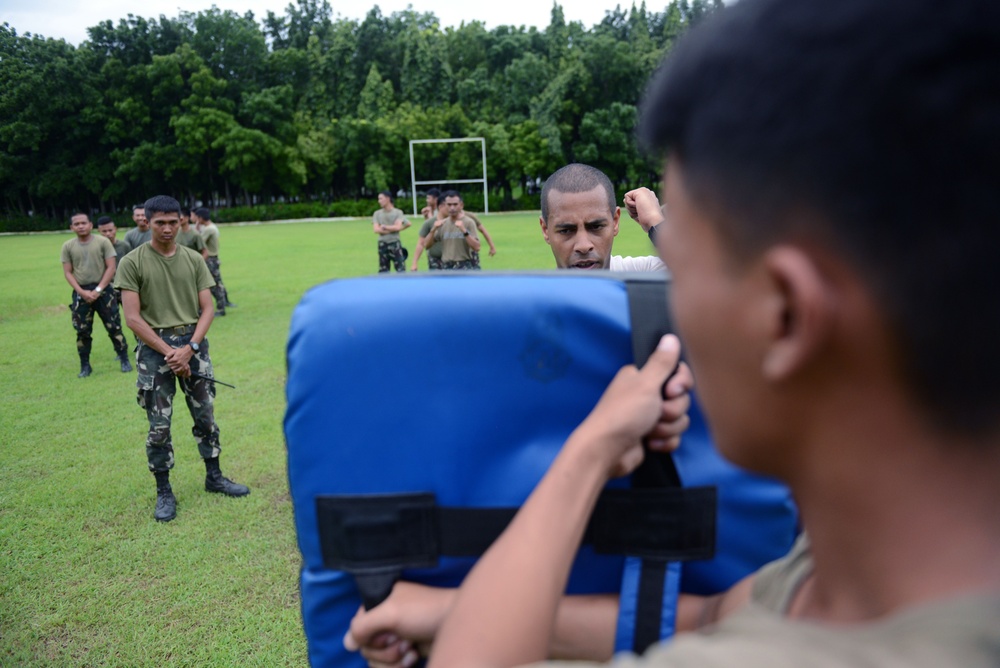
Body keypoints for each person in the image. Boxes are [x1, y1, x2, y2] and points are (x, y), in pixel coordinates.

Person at [414, 0, 1000, 666]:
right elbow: (721, 612)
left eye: (687, 268)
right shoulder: (854, 558)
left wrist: (590, 451)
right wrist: (435, 612)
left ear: (783, 316)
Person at [116, 195, 250, 523]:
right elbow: (132, 318)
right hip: (154, 349)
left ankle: (214, 476)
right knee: (159, 426)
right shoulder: (131, 262)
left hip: (193, 343)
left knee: (205, 416)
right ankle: (164, 490)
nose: (166, 228)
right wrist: (169, 351)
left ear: (181, 222)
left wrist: (189, 347)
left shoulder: (193, 259)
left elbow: (207, 308)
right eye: (159, 222)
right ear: (147, 222)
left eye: (172, 222)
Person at [539, 164, 665, 272]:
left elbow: (684, 271)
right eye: (566, 230)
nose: (583, 246)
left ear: (615, 221)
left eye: (596, 227)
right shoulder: (536, 296)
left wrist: (654, 220)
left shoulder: (639, 276)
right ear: (545, 230)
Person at [60, 213, 133, 377]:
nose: (80, 226)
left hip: (105, 291)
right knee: (82, 331)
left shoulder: (103, 242)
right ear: (71, 227)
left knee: (114, 327)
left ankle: (124, 359)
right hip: (81, 292)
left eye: (83, 223)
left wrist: (98, 290)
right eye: (76, 224)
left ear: (91, 225)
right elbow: (68, 272)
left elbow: (111, 268)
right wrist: (81, 292)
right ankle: (85, 365)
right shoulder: (68, 246)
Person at [191, 207, 233, 315]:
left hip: (210, 259)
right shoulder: (210, 227)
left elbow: (198, 240)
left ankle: (221, 308)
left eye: (197, 217)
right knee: (216, 283)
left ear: (200, 218)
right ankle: (222, 305)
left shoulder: (209, 229)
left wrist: (196, 228)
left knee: (213, 285)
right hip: (212, 259)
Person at [424, 191, 481, 270]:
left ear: (461, 205)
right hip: (446, 266)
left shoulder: (468, 222)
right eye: (449, 205)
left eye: (455, 204)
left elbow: (477, 247)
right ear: (445, 206)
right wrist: (433, 230)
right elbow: (426, 245)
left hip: (464, 266)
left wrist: (464, 231)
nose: (452, 208)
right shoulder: (443, 224)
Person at [96, 216, 132, 306]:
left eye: (110, 230)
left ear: (115, 229)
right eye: (104, 231)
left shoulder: (124, 246)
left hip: (124, 285)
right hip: (106, 287)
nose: (108, 234)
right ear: (99, 231)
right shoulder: (96, 248)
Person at [373, 191, 411, 273]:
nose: (379, 201)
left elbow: (398, 227)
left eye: (381, 199)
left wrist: (384, 227)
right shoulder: (377, 214)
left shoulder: (398, 212)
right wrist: (392, 229)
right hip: (382, 244)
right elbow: (376, 229)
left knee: (401, 269)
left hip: (395, 243)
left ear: (387, 199)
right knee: (383, 271)